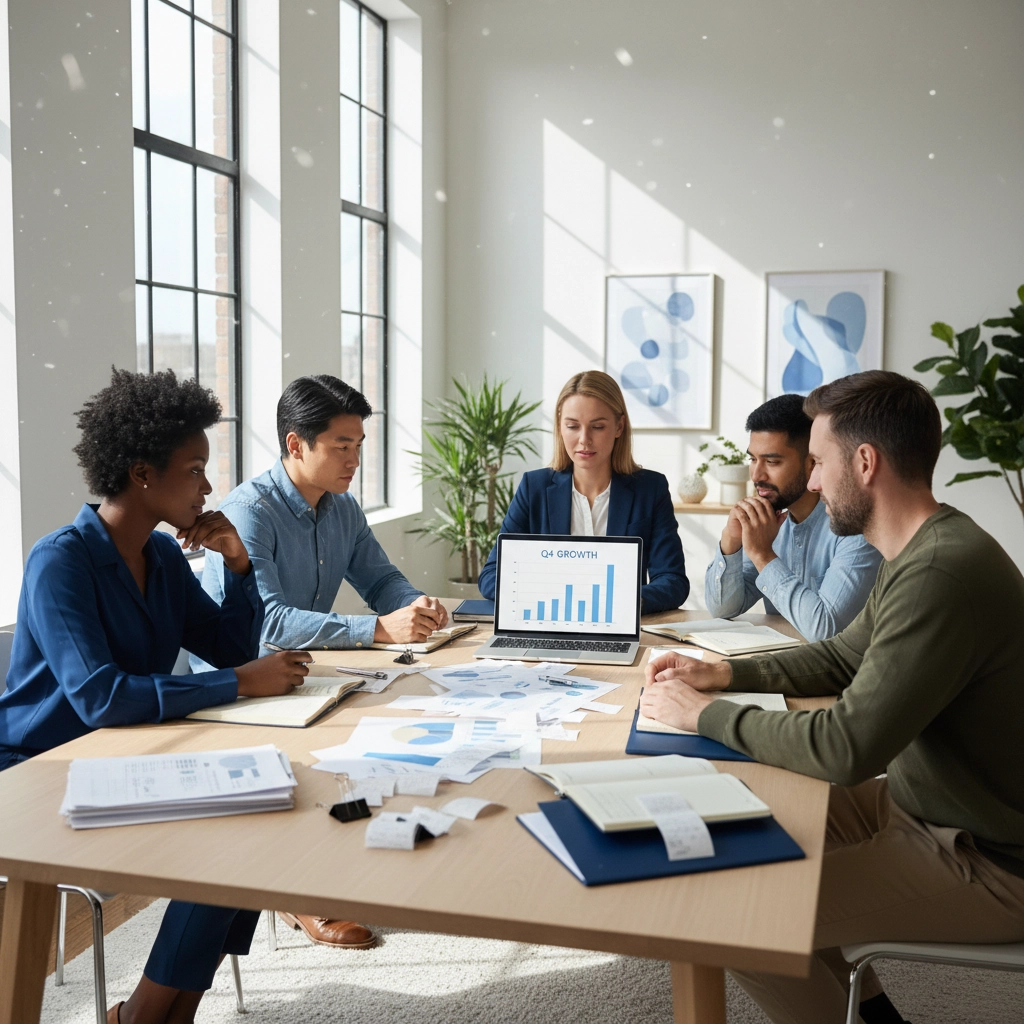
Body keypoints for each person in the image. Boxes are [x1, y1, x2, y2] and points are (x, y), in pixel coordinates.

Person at [641, 370, 1024, 1024]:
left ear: (866, 463)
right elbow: (844, 655)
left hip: (989, 859)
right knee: (746, 821)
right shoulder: (924, 547)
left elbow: (846, 746)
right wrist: (724, 677)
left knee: (737, 914)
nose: (810, 482)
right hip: (920, 801)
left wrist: (703, 714)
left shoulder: (939, 573)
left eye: (817, 463)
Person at [0, 369, 310, 1024]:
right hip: (39, 772)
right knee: (234, 820)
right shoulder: (59, 562)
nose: (207, 486)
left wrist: (240, 566)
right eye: (195, 469)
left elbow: (229, 649)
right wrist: (241, 682)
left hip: (125, 754)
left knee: (262, 804)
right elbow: (102, 698)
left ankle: (169, 1011)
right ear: (142, 474)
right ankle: (144, 1016)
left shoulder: (163, 559)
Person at [198, 373, 449, 949]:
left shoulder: (340, 507)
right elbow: (268, 622)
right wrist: (378, 629)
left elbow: (379, 577)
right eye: (342, 445)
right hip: (236, 685)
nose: (354, 458)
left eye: (359, 444)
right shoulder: (249, 512)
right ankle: (303, 890)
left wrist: (416, 606)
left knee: (400, 724)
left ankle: (337, 865)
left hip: (304, 672)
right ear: (296, 444)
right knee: (345, 746)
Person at [478, 370, 688, 612]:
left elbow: (672, 581)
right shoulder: (533, 488)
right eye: (572, 426)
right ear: (560, 427)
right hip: (547, 625)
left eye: (597, 427)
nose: (584, 440)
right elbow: (491, 576)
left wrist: (617, 601)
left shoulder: (650, 489)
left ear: (619, 426)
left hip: (618, 625)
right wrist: (551, 596)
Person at [704, 393, 881, 640]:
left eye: (772, 462)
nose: (756, 475)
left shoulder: (855, 528)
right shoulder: (769, 523)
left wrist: (762, 555)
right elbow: (724, 609)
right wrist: (730, 542)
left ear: (811, 463)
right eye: (753, 459)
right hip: (781, 665)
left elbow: (826, 629)